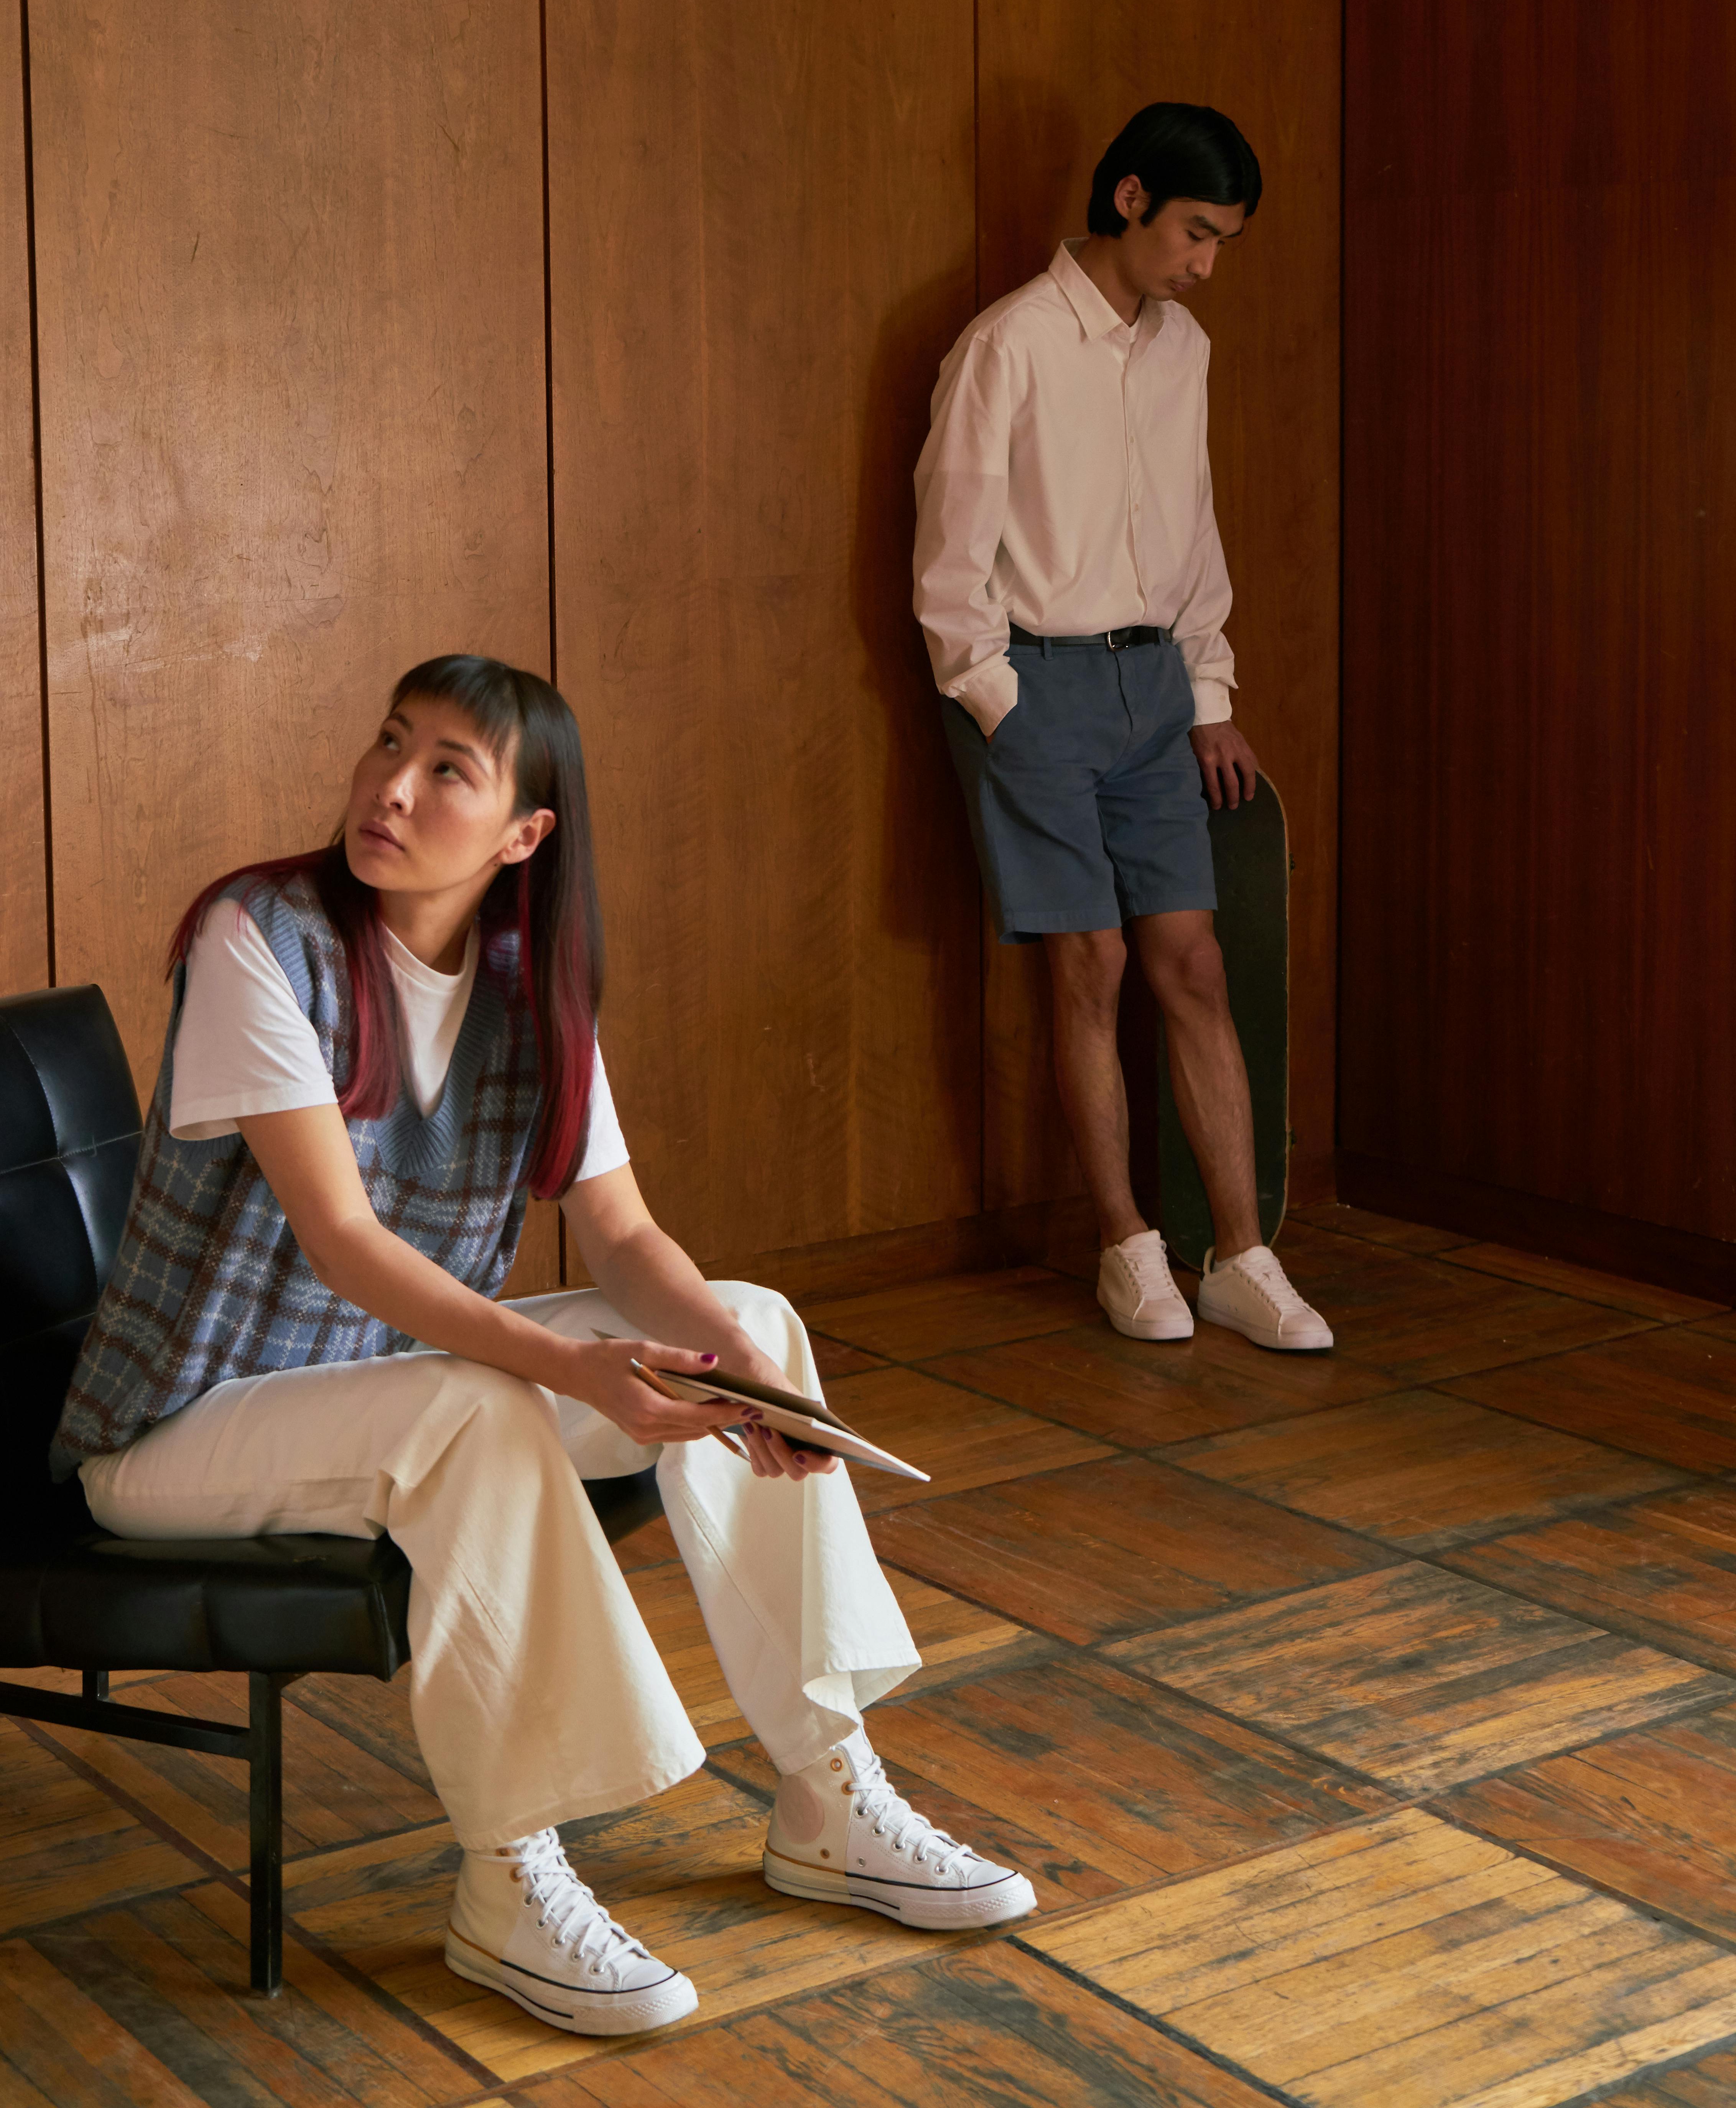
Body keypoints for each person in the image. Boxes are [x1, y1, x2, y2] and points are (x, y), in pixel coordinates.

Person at [52, 655, 1034, 2041]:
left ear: (525, 835)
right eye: (390, 743)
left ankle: (830, 1796)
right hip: (184, 1427)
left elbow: (621, 1234)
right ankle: (509, 1874)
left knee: (749, 1321)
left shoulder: (530, 984)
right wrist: (573, 1369)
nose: (392, 787)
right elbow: (343, 1241)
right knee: (481, 1409)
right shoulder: (257, 937)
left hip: (385, 1388)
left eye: (447, 769)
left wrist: (740, 1373)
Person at [913, 102, 1331, 1354]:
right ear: (1132, 198)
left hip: (1158, 692)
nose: (1206, 265)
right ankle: (1126, 1248)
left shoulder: (1183, 348)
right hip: (1039, 688)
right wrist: (1001, 702)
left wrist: (1210, 697)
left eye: (1224, 243)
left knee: (1192, 964)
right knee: (1087, 966)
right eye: (1197, 233)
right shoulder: (1009, 345)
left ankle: (1241, 1258)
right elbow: (950, 556)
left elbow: (1191, 529)